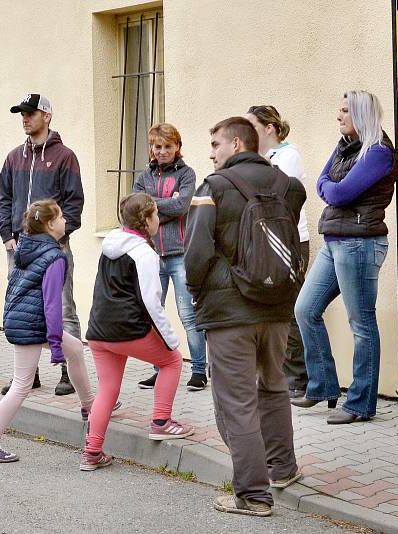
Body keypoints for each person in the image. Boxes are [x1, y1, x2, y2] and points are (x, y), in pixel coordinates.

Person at [185, 117, 306, 517]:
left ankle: (253, 495)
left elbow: (197, 253)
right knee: (273, 388)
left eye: (216, 143)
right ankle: (283, 469)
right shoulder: (286, 184)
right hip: (277, 309)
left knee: (237, 401)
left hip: (230, 313)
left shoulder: (214, 188)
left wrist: (198, 292)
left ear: (237, 144)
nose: (211, 152)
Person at [292, 90, 398, 425]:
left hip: (360, 245)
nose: (338, 116)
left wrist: (331, 191)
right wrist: (330, 190)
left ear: (361, 115)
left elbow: (337, 191)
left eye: (344, 111)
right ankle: (323, 385)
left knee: (361, 323)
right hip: (335, 241)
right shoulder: (344, 148)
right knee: (305, 309)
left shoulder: (378, 152)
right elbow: (321, 183)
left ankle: (360, 404)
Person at [0, 200, 95, 462]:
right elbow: (53, 305)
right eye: (62, 217)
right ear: (51, 225)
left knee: (75, 348)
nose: (66, 221)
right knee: (21, 385)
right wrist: (54, 347)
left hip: (22, 319)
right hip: (32, 323)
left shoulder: (27, 249)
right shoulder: (54, 257)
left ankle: (89, 407)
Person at [82, 192, 194, 471]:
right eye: (156, 214)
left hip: (99, 331)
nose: (159, 219)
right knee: (172, 361)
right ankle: (161, 422)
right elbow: (150, 302)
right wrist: (170, 339)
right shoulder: (143, 253)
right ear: (146, 220)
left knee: (107, 388)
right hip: (128, 330)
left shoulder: (110, 245)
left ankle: (92, 452)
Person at [0, 94, 84, 397]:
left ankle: (69, 374)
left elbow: (74, 204)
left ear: (47, 116)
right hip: (20, 250)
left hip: (56, 249)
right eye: (22, 114)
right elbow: (5, 199)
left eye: (31, 113)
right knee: (23, 309)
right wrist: (6, 233)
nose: (25, 118)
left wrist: (57, 237)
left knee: (62, 306)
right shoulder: (13, 157)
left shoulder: (64, 157)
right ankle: (27, 375)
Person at [133, 123, 208, 392]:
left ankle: (199, 370)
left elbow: (181, 206)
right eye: (158, 146)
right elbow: (136, 208)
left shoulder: (187, 174)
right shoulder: (144, 176)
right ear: (151, 149)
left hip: (179, 256)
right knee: (153, 314)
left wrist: (152, 206)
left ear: (177, 146)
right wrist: (165, 205)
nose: (162, 151)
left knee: (189, 314)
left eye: (168, 146)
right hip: (151, 255)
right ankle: (160, 368)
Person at [245, 106, 310, 399]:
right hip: (265, 239)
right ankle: (276, 373)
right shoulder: (264, 158)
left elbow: (275, 192)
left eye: (252, 126)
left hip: (290, 240)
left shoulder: (288, 156)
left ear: (269, 128)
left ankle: (297, 377)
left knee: (290, 308)